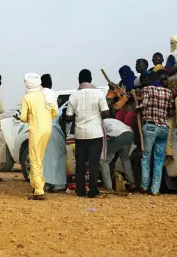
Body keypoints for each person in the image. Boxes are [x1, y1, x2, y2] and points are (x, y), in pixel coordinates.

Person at [66, 69, 109, 198]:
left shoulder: (74, 96)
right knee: (93, 162)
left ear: (79, 80)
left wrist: (78, 116)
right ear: (91, 80)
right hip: (95, 133)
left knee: (80, 162)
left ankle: (80, 190)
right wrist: (97, 114)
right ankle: (92, 190)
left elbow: (68, 117)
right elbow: (106, 113)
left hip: (80, 134)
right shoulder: (98, 94)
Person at [18, 73, 57, 200]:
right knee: (40, 157)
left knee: (34, 159)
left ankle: (39, 190)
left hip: (36, 130)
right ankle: (39, 185)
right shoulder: (45, 94)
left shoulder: (27, 98)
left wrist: (30, 117)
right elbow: (54, 112)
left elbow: (23, 117)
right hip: (47, 129)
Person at [137, 71, 175, 195]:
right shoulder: (168, 92)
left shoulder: (147, 89)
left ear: (149, 79)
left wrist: (137, 108)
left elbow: (144, 104)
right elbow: (171, 110)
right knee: (159, 160)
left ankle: (144, 186)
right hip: (164, 128)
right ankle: (155, 189)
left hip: (150, 127)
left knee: (146, 157)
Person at [39, 74, 67, 191]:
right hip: (53, 129)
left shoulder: (38, 95)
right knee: (58, 157)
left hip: (41, 130)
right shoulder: (52, 94)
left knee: (43, 158)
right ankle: (58, 184)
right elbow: (55, 114)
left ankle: (45, 183)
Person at [100, 118, 136, 192]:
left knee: (104, 161)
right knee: (125, 158)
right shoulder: (111, 120)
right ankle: (132, 183)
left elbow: (107, 137)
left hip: (118, 136)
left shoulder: (101, 123)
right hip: (130, 134)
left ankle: (109, 187)